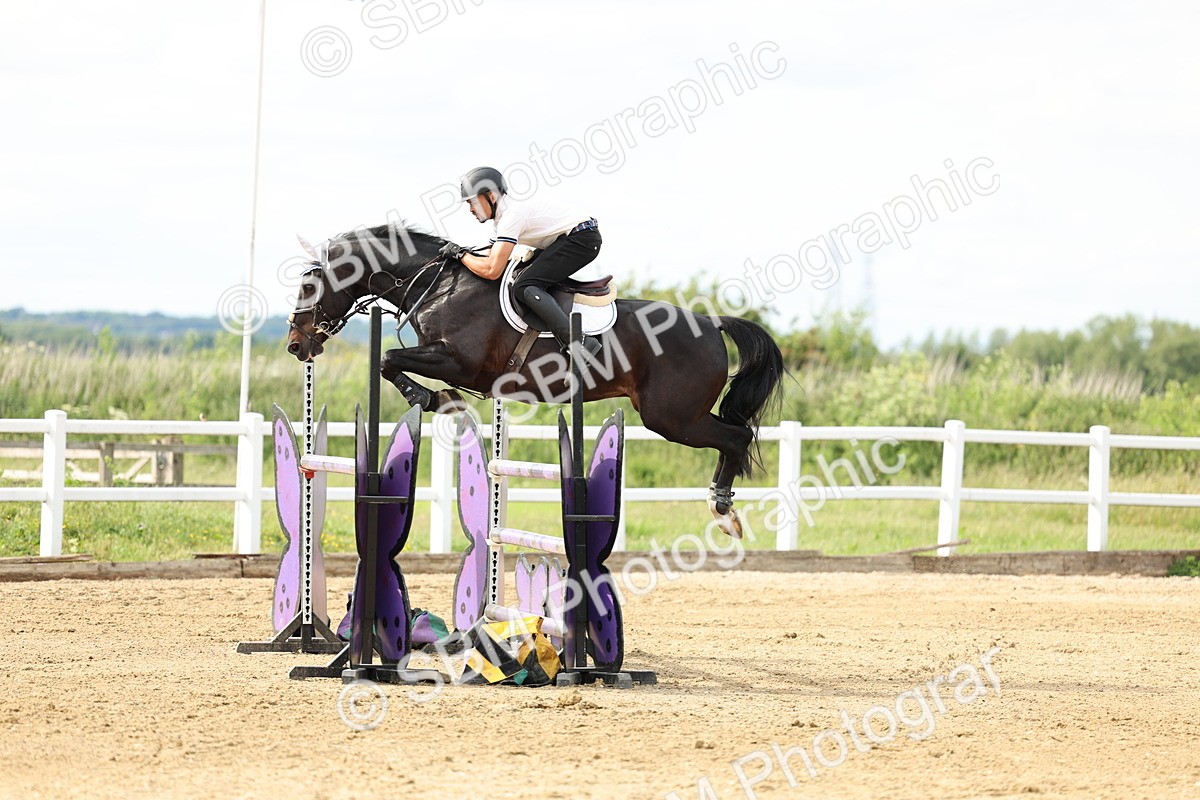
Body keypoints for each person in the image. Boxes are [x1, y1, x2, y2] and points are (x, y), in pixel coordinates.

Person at [442, 166, 603, 356]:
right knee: (520, 277)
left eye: (473, 202)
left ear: (491, 197)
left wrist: (461, 256)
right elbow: (490, 255)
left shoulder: (512, 215)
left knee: (524, 286)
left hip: (581, 239)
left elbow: (492, 270)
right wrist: (460, 253)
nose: (470, 209)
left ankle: (580, 343)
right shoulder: (500, 221)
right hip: (571, 238)